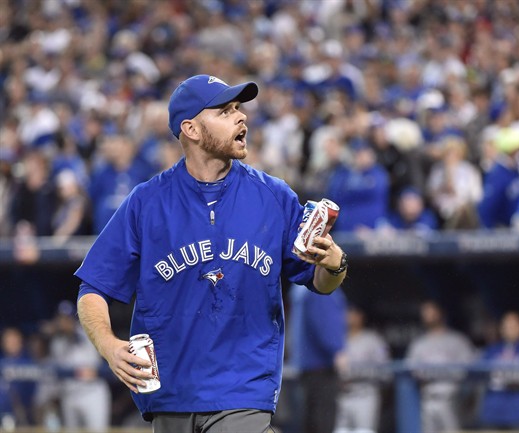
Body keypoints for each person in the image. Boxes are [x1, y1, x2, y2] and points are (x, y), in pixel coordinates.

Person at [74, 74, 348, 433]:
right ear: (191, 129)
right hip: (169, 395)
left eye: (239, 109)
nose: (241, 117)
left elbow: (321, 282)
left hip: (242, 391)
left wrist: (335, 264)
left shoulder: (274, 197)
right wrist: (109, 346)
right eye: (224, 111)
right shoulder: (146, 202)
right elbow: (93, 288)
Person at [405, 300, 475, 433]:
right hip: (428, 397)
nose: (428, 316)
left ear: (440, 313)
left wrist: (445, 374)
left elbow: (470, 367)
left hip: (451, 398)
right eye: (425, 313)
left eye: (431, 312)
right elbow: (411, 369)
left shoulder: (457, 340)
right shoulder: (419, 343)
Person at [288, 283, 346, 433]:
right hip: (321, 367)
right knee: (322, 424)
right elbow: (326, 325)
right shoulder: (322, 285)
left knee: (309, 422)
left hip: (304, 367)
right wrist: (337, 351)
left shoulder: (299, 286)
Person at [46, 301, 111, 432]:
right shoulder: (57, 342)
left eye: (67, 318)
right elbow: (56, 371)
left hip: (92, 392)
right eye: (61, 319)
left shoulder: (87, 334)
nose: (64, 322)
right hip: (69, 395)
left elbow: (104, 364)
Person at [478, 311, 519, 430]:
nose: (510, 329)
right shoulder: (492, 350)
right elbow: (477, 373)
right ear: (501, 328)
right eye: (506, 326)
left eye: (514, 325)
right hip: (493, 409)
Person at [334, 303, 390, 433]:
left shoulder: (374, 340)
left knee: (365, 431)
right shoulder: (337, 340)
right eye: (348, 313)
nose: (350, 317)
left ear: (361, 317)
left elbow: (386, 371)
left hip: (365, 393)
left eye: (354, 313)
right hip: (342, 395)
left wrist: (359, 371)